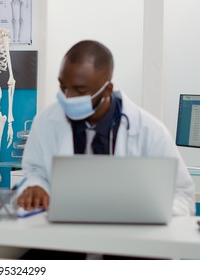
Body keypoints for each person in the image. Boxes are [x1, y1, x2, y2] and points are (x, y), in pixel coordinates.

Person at [16, 40, 195, 259]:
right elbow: (35, 170)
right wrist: (36, 186)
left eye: (80, 90)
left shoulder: (149, 130)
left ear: (107, 89)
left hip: (131, 243)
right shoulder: (45, 121)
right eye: (63, 86)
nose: (68, 97)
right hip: (63, 239)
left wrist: (144, 210)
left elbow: (183, 195)